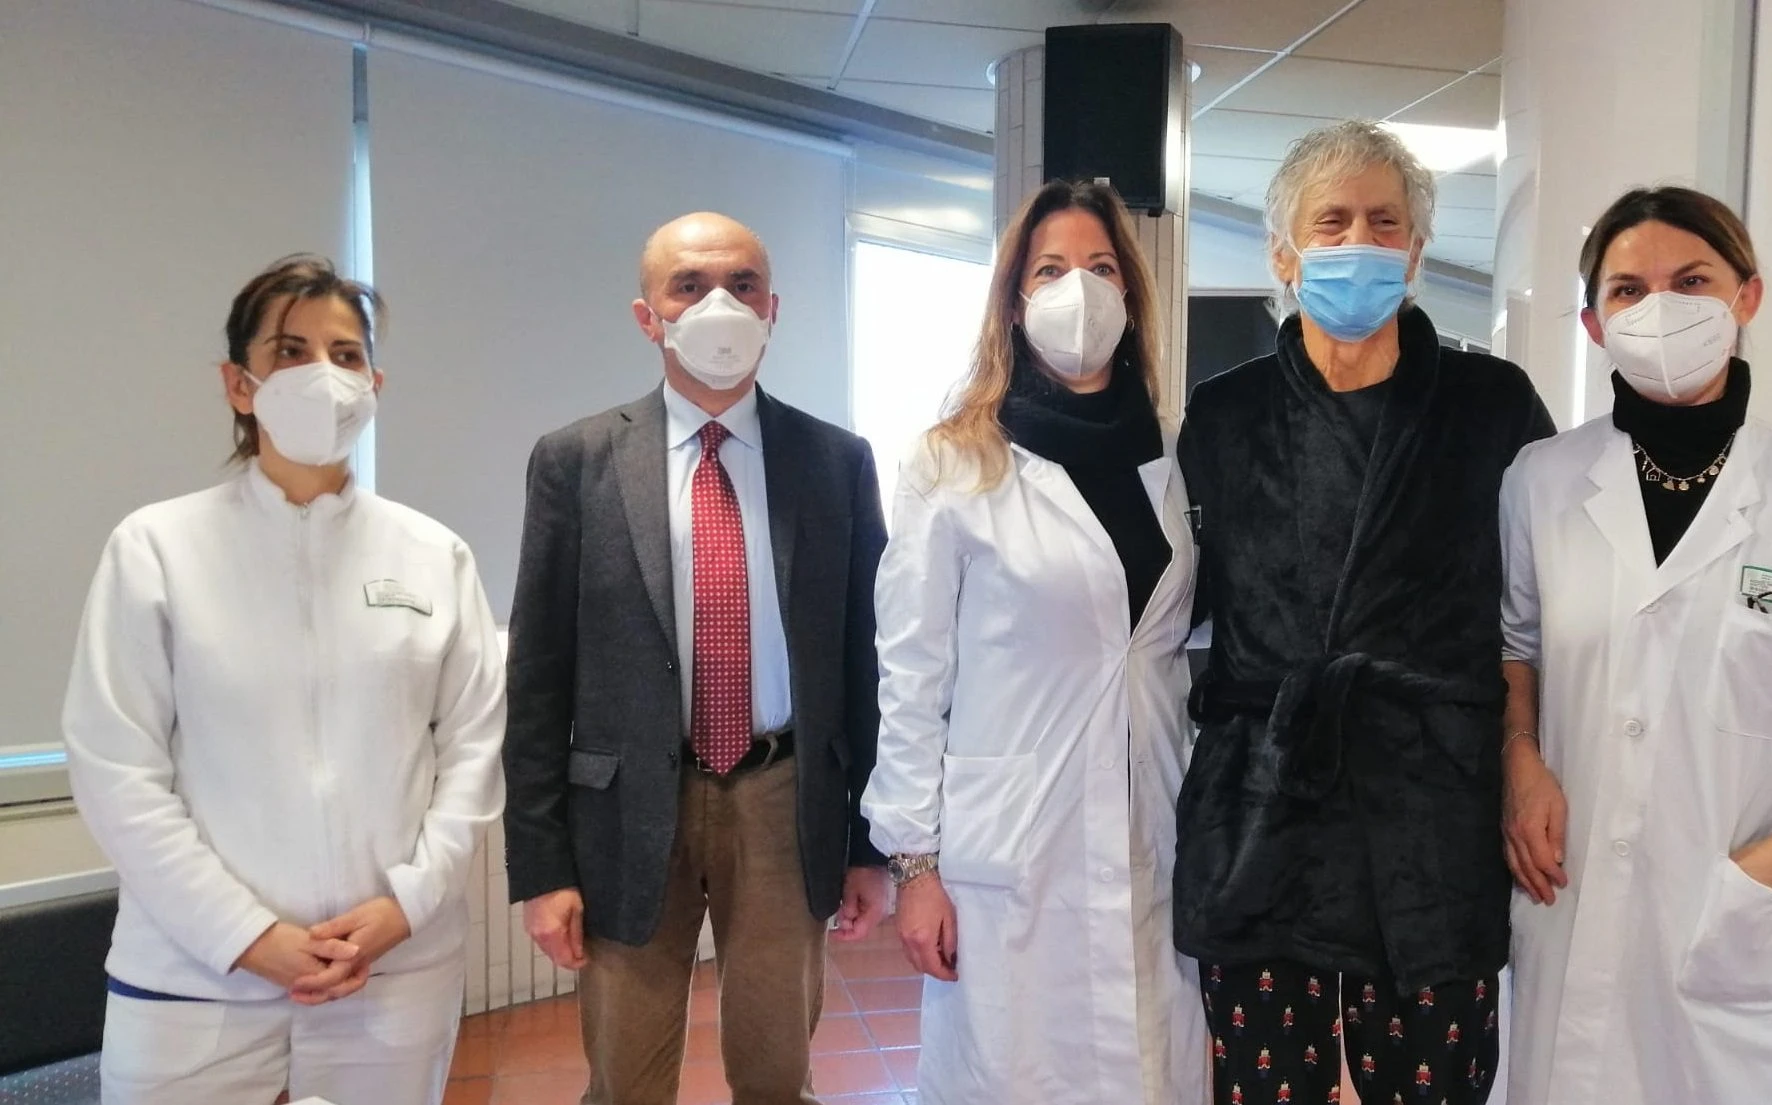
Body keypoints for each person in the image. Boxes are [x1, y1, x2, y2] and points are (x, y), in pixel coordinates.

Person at [1498, 186, 1772, 1105]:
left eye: (1691, 280)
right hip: (1574, 902)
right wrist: (1520, 759)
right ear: (1593, 324)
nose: (1659, 308)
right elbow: (1516, 644)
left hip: (1749, 927)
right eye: (1627, 289)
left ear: (1746, 296)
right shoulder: (1541, 481)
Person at [61, 255, 506, 1104]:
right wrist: (246, 934)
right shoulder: (157, 549)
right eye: (291, 351)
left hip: (390, 968)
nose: (322, 374)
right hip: (197, 975)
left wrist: (405, 907)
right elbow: (117, 768)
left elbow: (472, 754)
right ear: (240, 383)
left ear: (373, 386)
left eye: (345, 354)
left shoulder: (433, 555)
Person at [1172, 120, 1554, 1105]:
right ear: (1282, 253)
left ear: (1416, 250)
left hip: (1429, 800)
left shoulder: (1492, 405)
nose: (1358, 241)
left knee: (1435, 1083)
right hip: (1265, 794)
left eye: (1384, 223)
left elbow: (1541, 604)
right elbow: (1172, 598)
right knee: (1263, 1083)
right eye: (1330, 222)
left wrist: (1525, 752)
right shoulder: (1223, 415)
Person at [504, 212, 890, 1105]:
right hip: (625, 809)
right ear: (648, 316)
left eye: (742, 285)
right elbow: (537, 678)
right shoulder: (576, 461)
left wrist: (870, 844)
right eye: (690, 285)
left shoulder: (836, 461)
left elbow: (866, 664)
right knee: (625, 1081)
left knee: (777, 1076)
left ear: (772, 309)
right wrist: (541, 866)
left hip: (783, 797)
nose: (720, 304)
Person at [861, 180, 1208, 1105]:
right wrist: (915, 865)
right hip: (1012, 847)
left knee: (1150, 1066)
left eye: (1100, 267)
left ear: (1129, 295)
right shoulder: (953, 459)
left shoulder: (1173, 454)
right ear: (1013, 302)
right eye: (1049, 269)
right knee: (1018, 1070)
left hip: (1151, 822)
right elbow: (910, 673)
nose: (1077, 289)